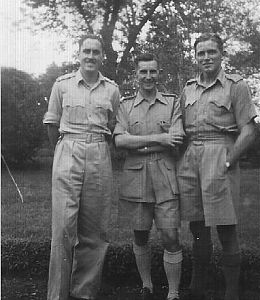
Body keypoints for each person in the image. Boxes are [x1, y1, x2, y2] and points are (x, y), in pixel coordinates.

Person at [177, 33, 256, 300]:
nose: (206, 57)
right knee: (197, 228)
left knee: (226, 226)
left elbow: (249, 131)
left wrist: (227, 160)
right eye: (201, 53)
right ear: (195, 57)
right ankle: (198, 288)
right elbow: (180, 129)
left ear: (222, 54)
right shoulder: (188, 88)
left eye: (211, 52)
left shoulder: (236, 86)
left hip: (220, 155)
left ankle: (231, 292)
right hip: (191, 159)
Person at [43, 34, 120, 300]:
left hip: (99, 152)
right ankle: (58, 295)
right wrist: (64, 152)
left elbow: (114, 125)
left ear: (102, 57)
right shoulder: (62, 85)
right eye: (86, 51)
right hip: (68, 150)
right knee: (63, 227)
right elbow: (52, 123)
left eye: (95, 52)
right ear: (78, 54)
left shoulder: (112, 89)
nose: (90, 56)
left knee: (95, 229)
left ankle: (83, 293)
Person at [114, 53, 184, 300]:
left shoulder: (173, 102)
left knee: (170, 235)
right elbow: (120, 140)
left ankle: (173, 292)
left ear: (159, 73)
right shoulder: (125, 105)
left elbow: (176, 138)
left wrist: (138, 144)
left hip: (165, 176)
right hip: (136, 178)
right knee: (140, 233)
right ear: (136, 75)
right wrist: (159, 139)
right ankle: (147, 285)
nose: (148, 77)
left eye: (152, 71)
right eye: (143, 72)